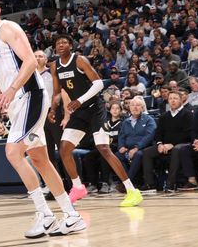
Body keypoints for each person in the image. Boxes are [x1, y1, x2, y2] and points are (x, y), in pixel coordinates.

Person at [0, 0, 85, 238]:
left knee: (12, 152)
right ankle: (71, 215)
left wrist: (11, 89)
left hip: (30, 96)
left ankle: (45, 215)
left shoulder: (8, 28)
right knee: (40, 159)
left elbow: (30, 60)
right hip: (17, 103)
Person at [50, 34, 143, 207]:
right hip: (79, 112)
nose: (61, 45)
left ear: (71, 45)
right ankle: (78, 187)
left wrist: (80, 100)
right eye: (58, 43)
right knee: (64, 149)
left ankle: (132, 191)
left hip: (95, 109)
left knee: (103, 148)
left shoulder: (80, 60)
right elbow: (56, 92)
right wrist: (53, 109)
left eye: (64, 42)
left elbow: (99, 84)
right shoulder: (55, 66)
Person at [140, 91, 192, 192]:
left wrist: (172, 144)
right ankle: (150, 184)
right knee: (146, 152)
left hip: (182, 144)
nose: (172, 101)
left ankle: (170, 184)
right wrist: (159, 144)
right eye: (170, 98)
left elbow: (187, 134)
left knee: (176, 150)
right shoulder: (164, 116)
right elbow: (158, 133)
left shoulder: (187, 114)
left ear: (181, 100)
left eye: (175, 98)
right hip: (164, 145)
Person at [115, 97, 156, 184]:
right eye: (132, 105)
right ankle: (127, 181)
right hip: (128, 148)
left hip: (143, 148)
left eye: (138, 105)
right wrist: (121, 146)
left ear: (142, 107)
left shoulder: (149, 120)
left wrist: (137, 147)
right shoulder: (126, 122)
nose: (135, 107)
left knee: (138, 155)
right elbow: (121, 136)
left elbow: (149, 136)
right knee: (117, 156)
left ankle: (128, 183)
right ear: (129, 108)